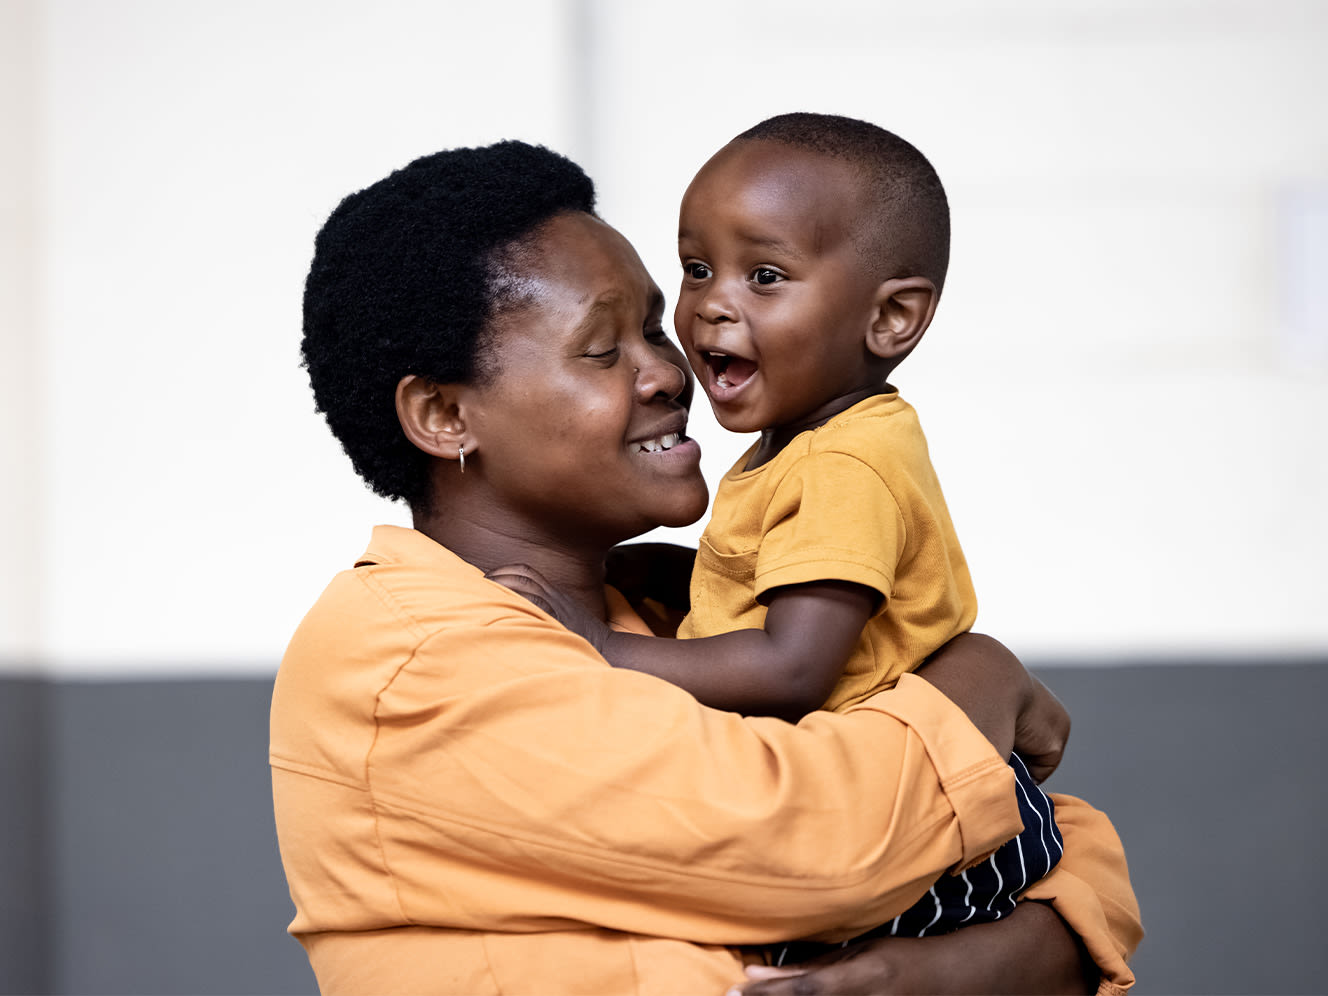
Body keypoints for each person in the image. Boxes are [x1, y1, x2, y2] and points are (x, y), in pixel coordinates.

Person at [271, 139, 1142, 995]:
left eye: (653, 325)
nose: (668, 369)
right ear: (445, 415)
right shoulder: (414, 657)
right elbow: (817, 848)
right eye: (604, 349)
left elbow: (1072, 851)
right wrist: (983, 680)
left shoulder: (661, 621)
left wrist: (986, 962)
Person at [514, 112, 1063, 943]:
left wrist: (602, 644)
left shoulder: (843, 464)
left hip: (936, 824)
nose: (709, 308)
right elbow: (760, 582)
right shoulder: (807, 444)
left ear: (892, 319)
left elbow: (794, 666)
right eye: (698, 269)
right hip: (910, 783)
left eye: (765, 275)